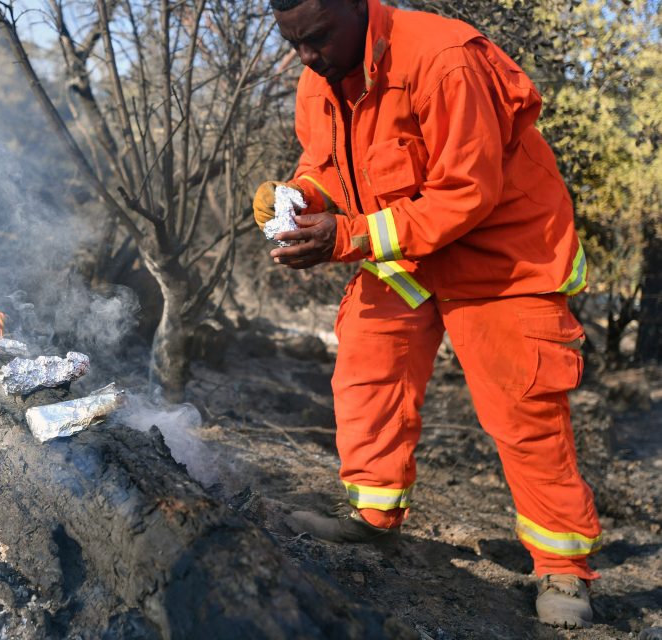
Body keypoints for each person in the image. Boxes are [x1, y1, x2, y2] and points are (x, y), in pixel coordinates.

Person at [253, 0, 602, 629]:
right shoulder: (320, 77)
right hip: (408, 249)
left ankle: (563, 568)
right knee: (367, 364)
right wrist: (299, 197)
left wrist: (346, 237)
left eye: (317, 38)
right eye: (292, 42)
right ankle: (372, 514)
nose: (306, 57)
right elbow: (327, 165)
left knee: (523, 410)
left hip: (500, 259)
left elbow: (466, 191)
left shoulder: (444, 59)